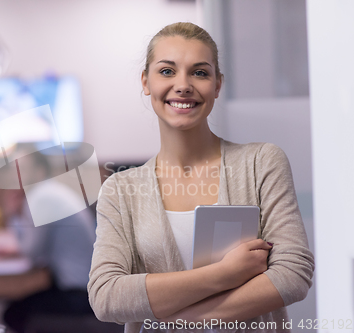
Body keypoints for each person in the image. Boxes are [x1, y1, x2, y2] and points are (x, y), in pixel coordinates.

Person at [87, 22, 314, 333]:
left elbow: (293, 274)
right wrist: (224, 274)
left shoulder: (261, 162)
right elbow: (107, 298)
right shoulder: (120, 190)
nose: (183, 85)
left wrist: (181, 319)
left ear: (217, 85)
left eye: (200, 72)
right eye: (167, 71)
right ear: (146, 81)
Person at [3, 151, 97, 333]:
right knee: (18, 306)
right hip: (86, 287)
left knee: (12, 313)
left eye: (21, 169)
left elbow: (31, 252)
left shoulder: (41, 197)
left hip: (80, 294)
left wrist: (12, 214)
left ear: (39, 172)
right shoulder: (50, 191)